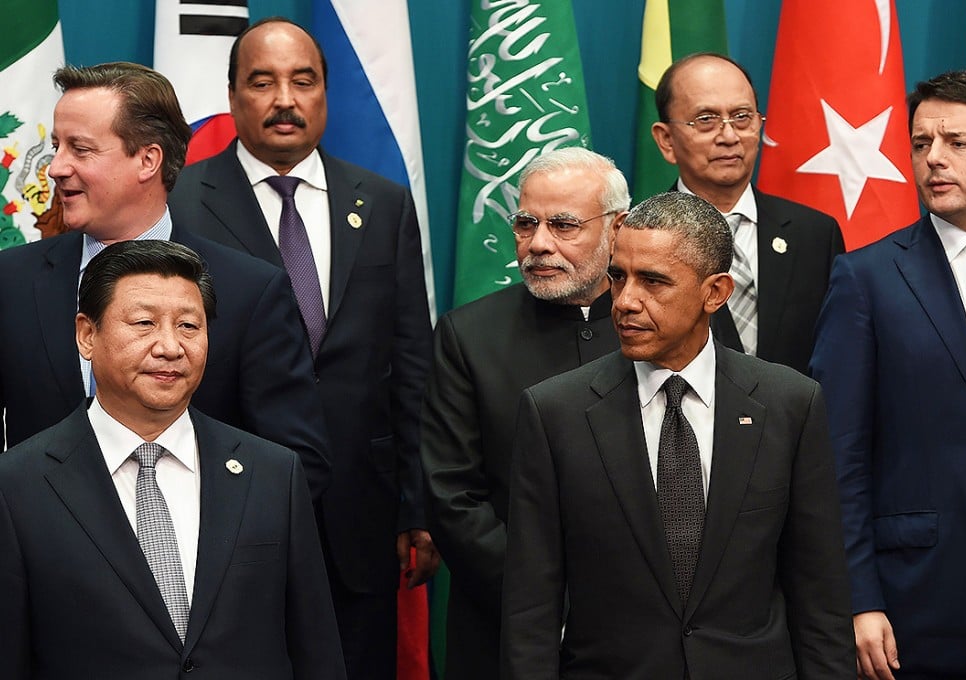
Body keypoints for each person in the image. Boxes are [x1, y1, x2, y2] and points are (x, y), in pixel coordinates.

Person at [167, 18, 436, 679]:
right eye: (262, 82)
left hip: (360, 513)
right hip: (227, 508)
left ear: (324, 94)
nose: (285, 99)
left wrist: (417, 505)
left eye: (303, 81)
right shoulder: (182, 205)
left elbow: (410, 365)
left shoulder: (384, 203)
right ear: (232, 96)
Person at [500, 190, 855, 679]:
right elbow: (530, 609)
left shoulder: (790, 404)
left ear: (715, 293)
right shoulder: (554, 412)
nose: (624, 302)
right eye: (618, 277)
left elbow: (821, 598)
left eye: (653, 281)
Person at [0, 240, 345, 679]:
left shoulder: (273, 473)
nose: (169, 346)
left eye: (188, 326)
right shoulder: (17, 487)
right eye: (144, 323)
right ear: (87, 335)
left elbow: (317, 652)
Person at [0, 62, 330, 499]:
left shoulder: (251, 291)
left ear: (148, 160)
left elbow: (297, 464)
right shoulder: (11, 281)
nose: (56, 167)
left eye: (79, 149)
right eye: (57, 147)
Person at [811, 70, 966, 680]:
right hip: (920, 599)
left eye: (957, 143)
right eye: (921, 142)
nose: (933, 159)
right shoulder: (866, 279)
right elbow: (837, 454)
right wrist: (859, 598)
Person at [420, 146, 628, 679]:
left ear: (618, 227)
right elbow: (452, 496)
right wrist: (543, 606)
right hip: (507, 628)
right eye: (525, 223)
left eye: (563, 225)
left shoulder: (667, 325)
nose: (538, 244)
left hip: (647, 631)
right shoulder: (469, 335)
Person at [651, 53, 844, 374]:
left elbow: (837, 354)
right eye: (706, 120)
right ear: (666, 140)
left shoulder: (815, 234)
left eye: (742, 117)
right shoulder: (641, 240)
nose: (729, 136)